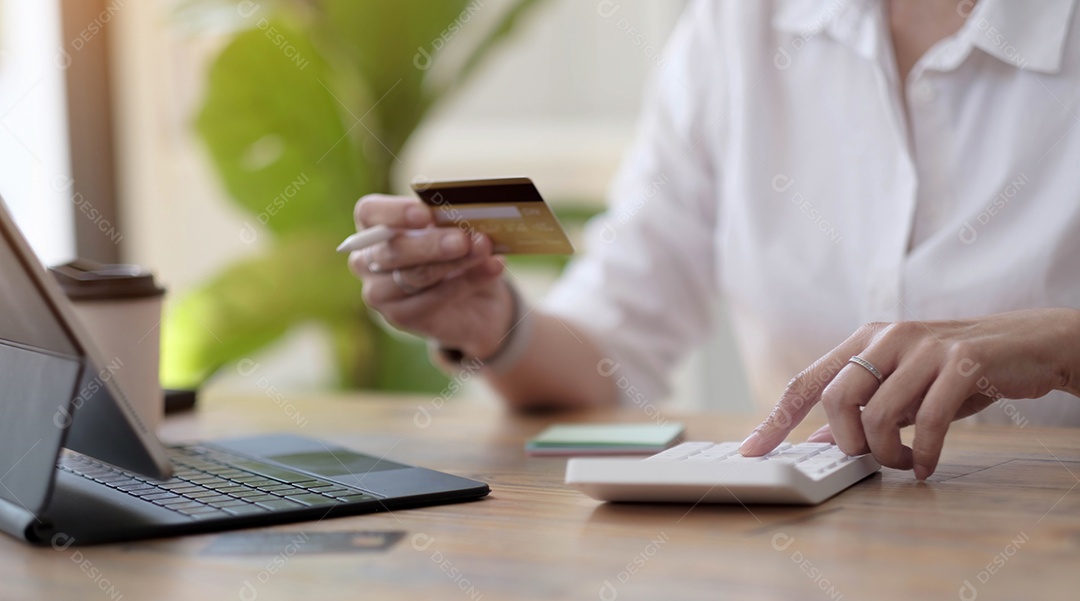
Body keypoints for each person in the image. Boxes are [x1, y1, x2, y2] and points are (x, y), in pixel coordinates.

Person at [348, 0, 1080, 480]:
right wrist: (494, 325)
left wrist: (1061, 343)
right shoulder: (738, 26)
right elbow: (612, 348)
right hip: (812, 540)